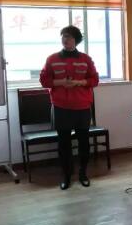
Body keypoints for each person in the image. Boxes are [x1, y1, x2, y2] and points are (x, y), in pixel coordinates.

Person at [40, 25, 99, 190]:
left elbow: (95, 80)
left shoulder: (86, 59)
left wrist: (79, 82)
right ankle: (66, 175)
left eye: (69, 37)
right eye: (63, 36)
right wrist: (61, 82)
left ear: (76, 40)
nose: (65, 39)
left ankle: (83, 173)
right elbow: (44, 80)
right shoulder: (52, 59)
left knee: (83, 143)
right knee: (64, 144)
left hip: (82, 107)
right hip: (61, 107)